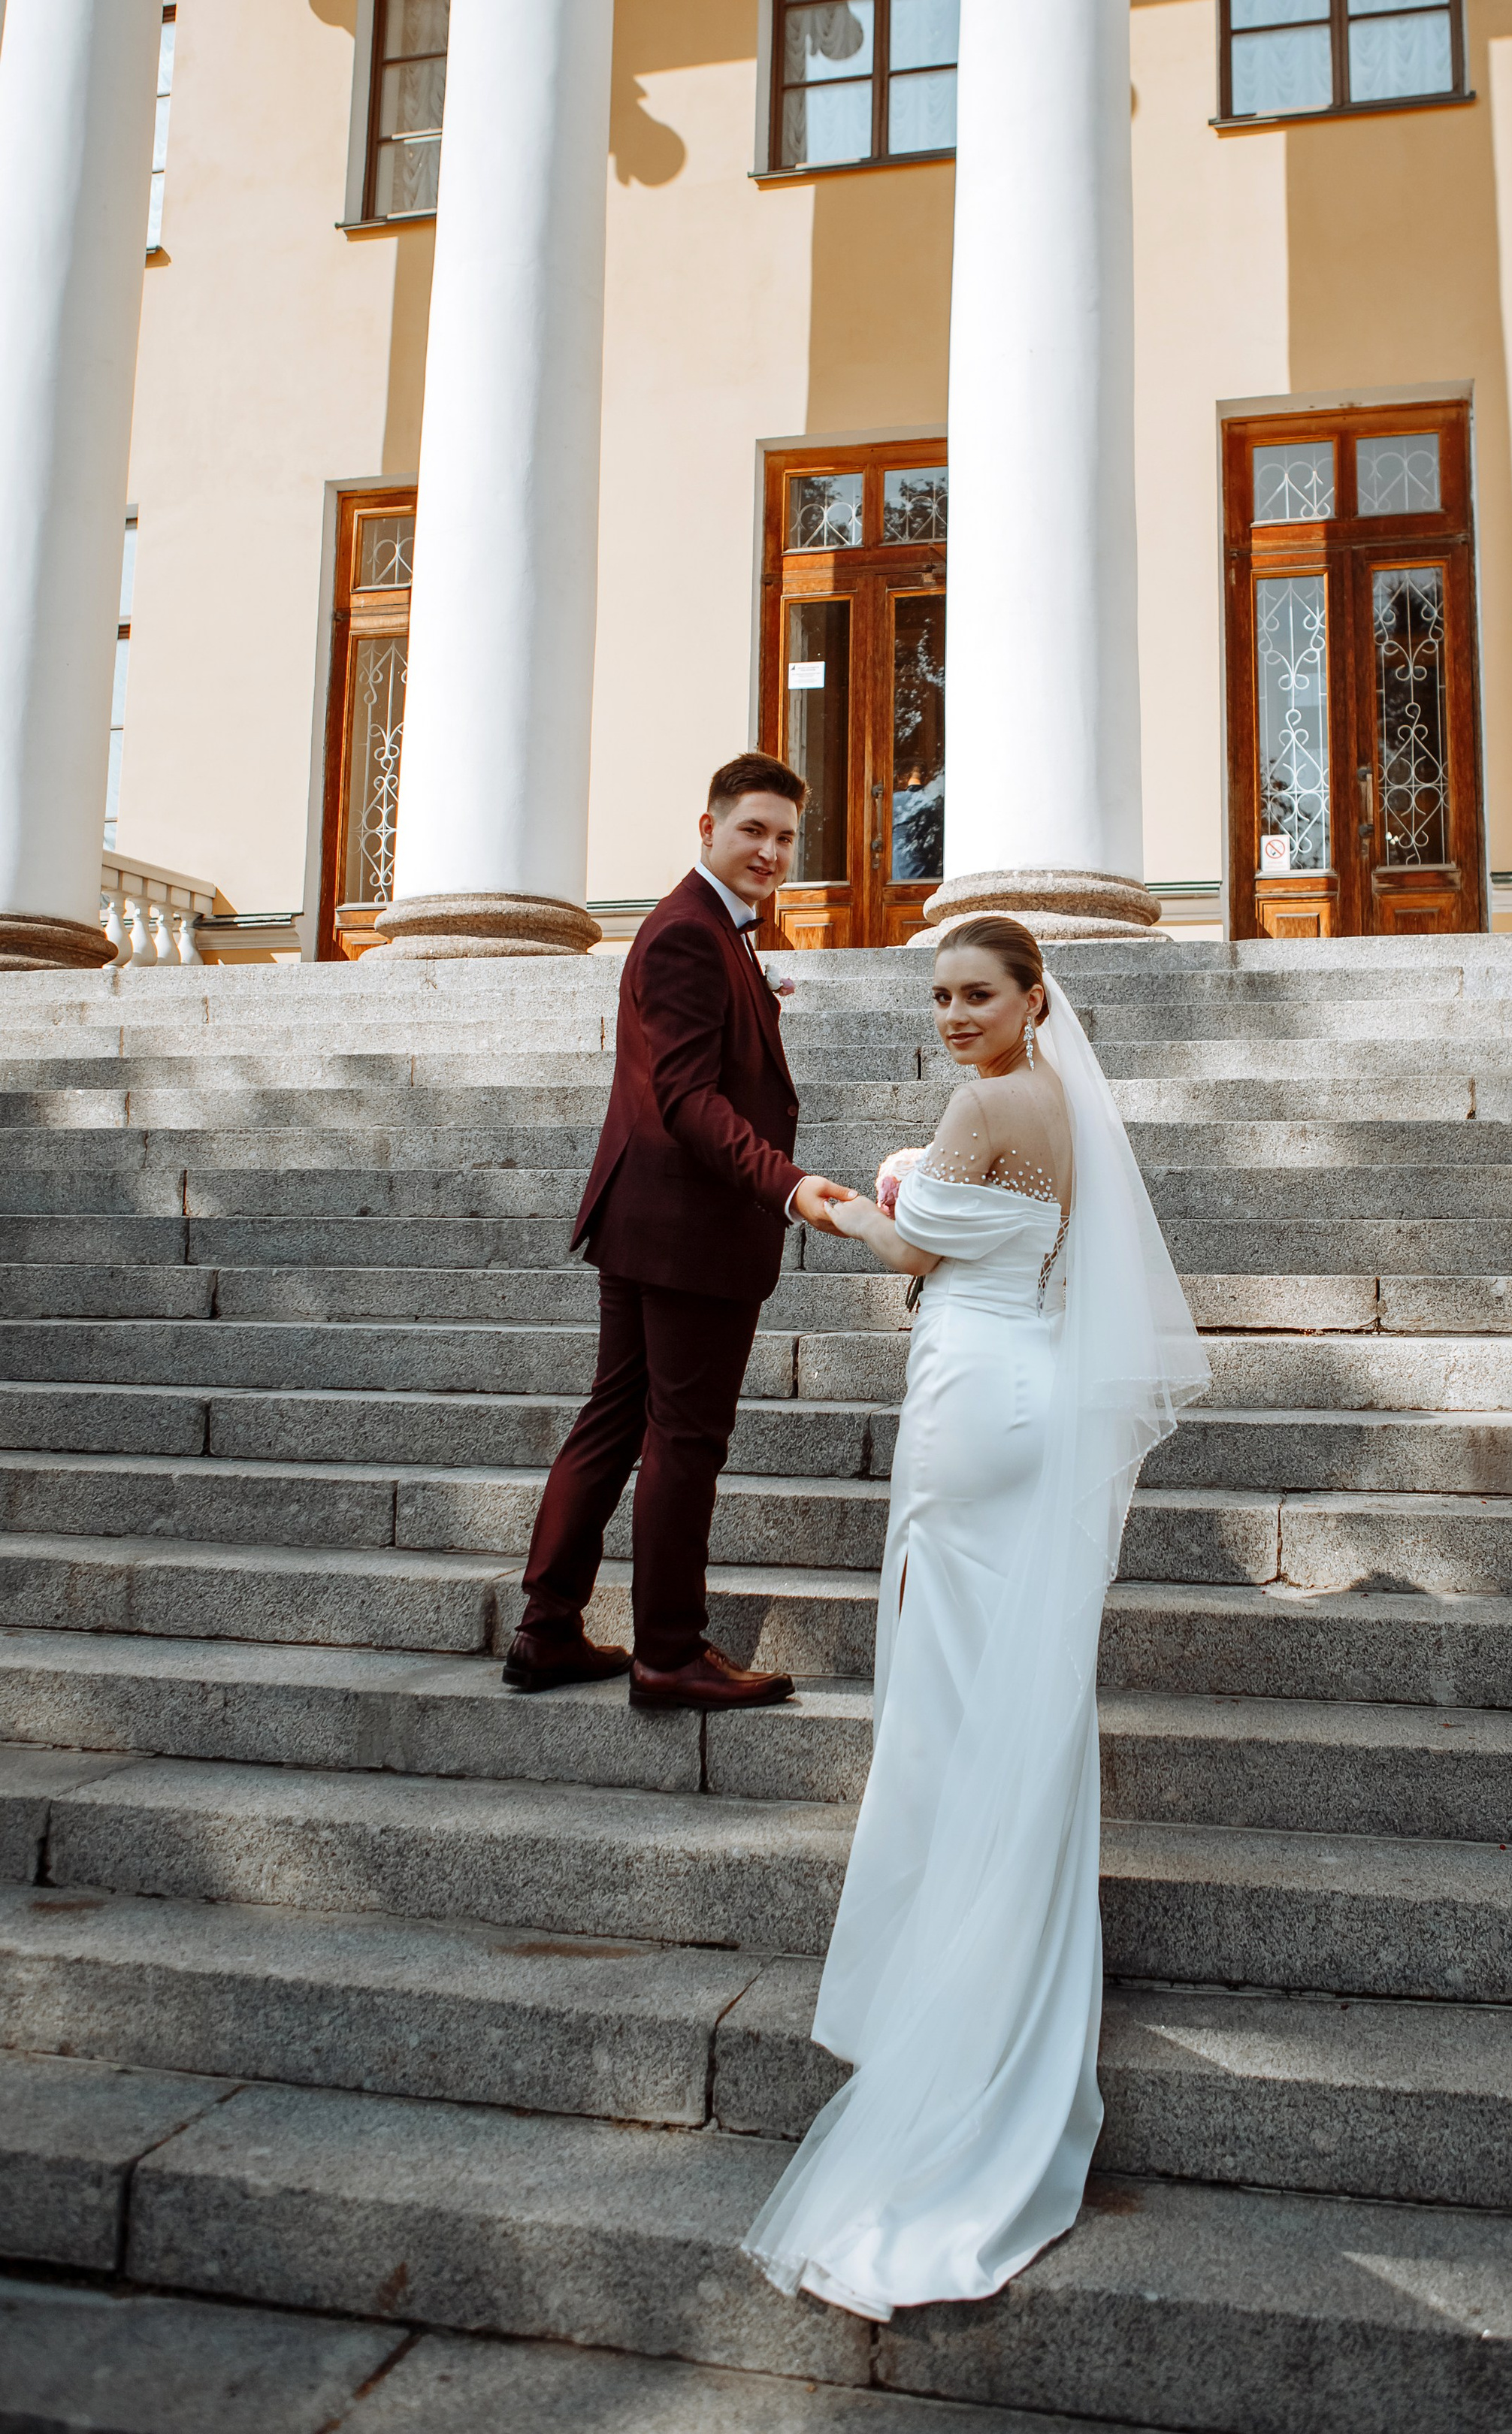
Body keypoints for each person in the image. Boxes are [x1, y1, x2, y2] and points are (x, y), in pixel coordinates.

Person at [742, 915, 1208, 2316]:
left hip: (970, 1406)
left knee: (947, 1701)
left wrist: (821, 1200)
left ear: (1031, 999)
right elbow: (990, 1224)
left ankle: (951, 1976)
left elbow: (915, 1248)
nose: (953, 1013)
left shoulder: (984, 1098)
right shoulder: (1060, 1101)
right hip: (1029, 1392)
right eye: (940, 996)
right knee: (1015, 1686)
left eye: (977, 994)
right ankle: (1000, 1953)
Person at [501, 754, 854, 1712]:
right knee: (683, 1440)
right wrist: (790, 1189)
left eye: (785, 836)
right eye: (752, 831)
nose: (771, 852)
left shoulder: (713, 932)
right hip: (688, 1228)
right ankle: (668, 1652)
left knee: (615, 1421)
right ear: (707, 830)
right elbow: (689, 1101)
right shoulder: (688, 935)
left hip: (647, 1218)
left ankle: (547, 1631)